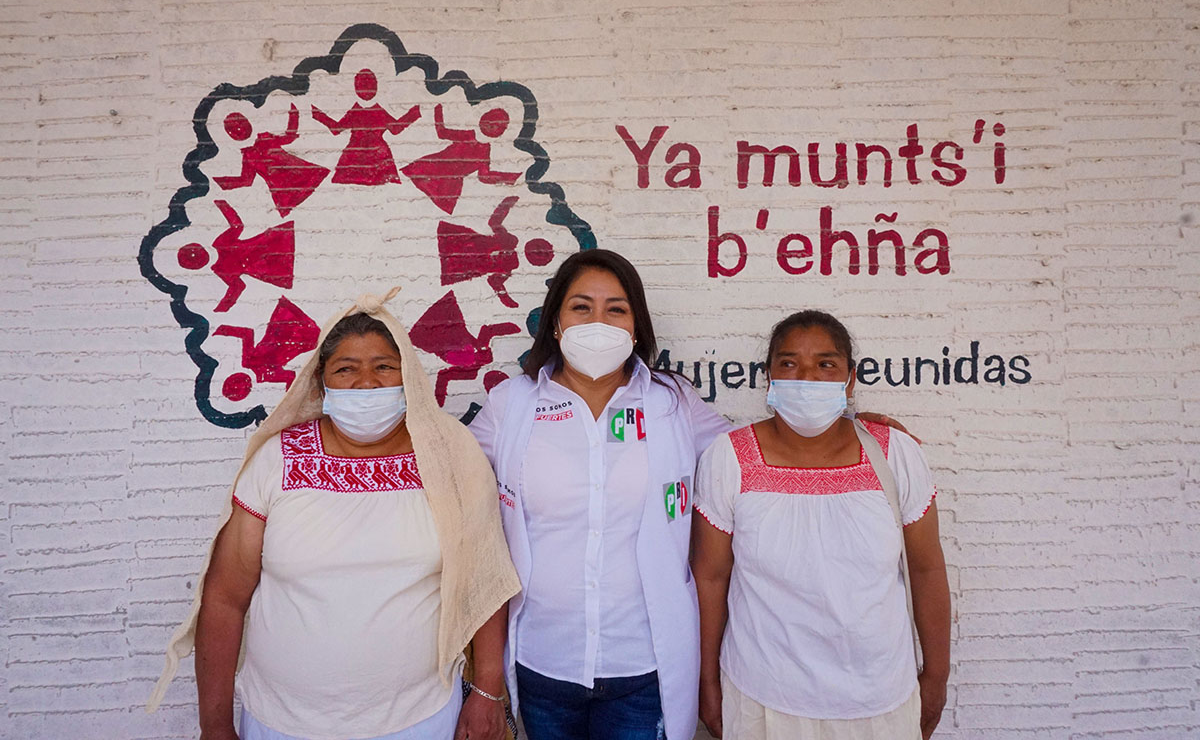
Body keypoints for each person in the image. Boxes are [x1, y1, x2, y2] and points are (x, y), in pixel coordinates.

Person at [145, 289, 521, 740]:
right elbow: (225, 598)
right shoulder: (278, 460)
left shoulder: (450, 459)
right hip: (281, 722)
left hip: (421, 718)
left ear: (409, 378)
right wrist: (216, 725)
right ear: (321, 384)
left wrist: (487, 693)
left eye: (384, 367)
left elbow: (485, 584)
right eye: (346, 369)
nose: (366, 383)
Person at [468, 249, 734, 740]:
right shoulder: (513, 405)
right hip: (543, 663)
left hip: (643, 666)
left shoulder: (672, 403)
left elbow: (750, 458)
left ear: (636, 327)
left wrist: (844, 431)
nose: (598, 322)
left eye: (616, 309)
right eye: (581, 307)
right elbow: (448, 470)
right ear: (555, 324)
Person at [691, 310, 951, 740]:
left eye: (826, 364)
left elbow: (926, 569)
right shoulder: (729, 457)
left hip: (879, 699)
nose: (807, 377)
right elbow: (710, 577)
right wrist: (706, 680)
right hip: (762, 698)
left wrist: (937, 675)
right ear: (769, 378)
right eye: (789, 363)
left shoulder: (896, 454)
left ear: (850, 380)